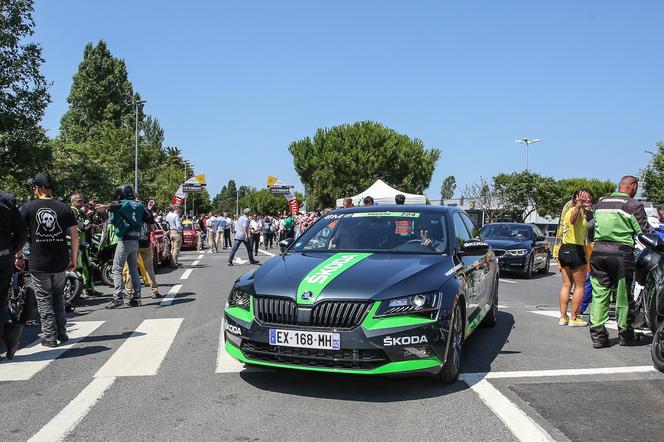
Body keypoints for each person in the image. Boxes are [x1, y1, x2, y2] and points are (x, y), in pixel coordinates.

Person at [589, 176, 650, 348]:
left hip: (598, 252)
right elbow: (644, 231)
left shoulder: (601, 203)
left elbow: (592, 227)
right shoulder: (633, 205)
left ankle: (598, 337)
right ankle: (625, 334)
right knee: (623, 296)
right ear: (633, 186)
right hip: (621, 254)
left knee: (599, 294)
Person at [20, 174, 78, 347]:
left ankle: (50, 337)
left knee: (44, 299)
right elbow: (75, 236)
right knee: (58, 297)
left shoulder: (28, 207)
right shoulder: (64, 208)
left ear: (37, 188)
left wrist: (18, 255)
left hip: (39, 262)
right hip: (60, 260)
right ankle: (62, 332)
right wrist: (73, 258)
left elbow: (21, 234)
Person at [98, 185, 144, 309]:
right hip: (135, 240)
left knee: (117, 269)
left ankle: (117, 297)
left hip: (125, 239)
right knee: (133, 269)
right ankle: (137, 297)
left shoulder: (122, 205)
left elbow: (113, 218)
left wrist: (107, 207)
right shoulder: (139, 204)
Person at [557, 189, 592, 327]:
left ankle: (563, 317)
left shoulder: (572, 211)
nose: (588, 200)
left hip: (564, 249)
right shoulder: (574, 210)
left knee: (566, 285)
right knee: (580, 286)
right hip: (575, 249)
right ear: (577, 198)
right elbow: (572, 221)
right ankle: (574, 317)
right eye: (585, 198)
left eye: (589, 198)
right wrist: (578, 205)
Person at [0, 189, 27, 359]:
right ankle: (9, 331)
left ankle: (9, 331)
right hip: (4, 255)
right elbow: (22, 232)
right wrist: (13, 252)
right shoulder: (5, 198)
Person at [125, 199, 162, 299]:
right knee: (149, 268)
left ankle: (128, 292)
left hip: (134, 243)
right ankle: (154, 291)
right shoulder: (148, 213)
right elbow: (153, 229)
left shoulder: (131, 213)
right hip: (146, 244)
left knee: (131, 269)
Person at [70, 193, 101, 298]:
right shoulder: (72, 211)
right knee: (78, 268)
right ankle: (79, 291)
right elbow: (82, 227)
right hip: (75, 245)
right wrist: (88, 223)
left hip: (84, 244)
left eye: (82, 200)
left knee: (88, 267)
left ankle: (89, 289)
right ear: (73, 201)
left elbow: (87, 227)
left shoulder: (81, 212)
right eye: (79, 200)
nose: (81, 202)